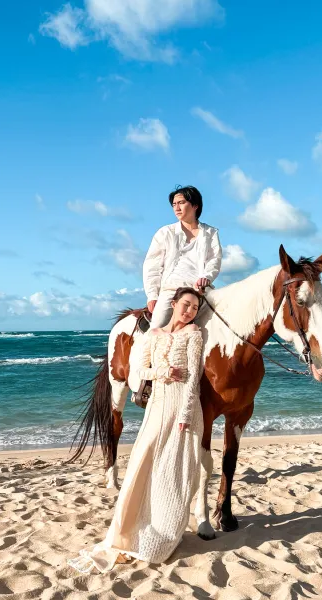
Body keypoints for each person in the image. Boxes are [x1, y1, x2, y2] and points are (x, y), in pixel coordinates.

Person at [68, 287, 205, 574]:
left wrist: (185, 414)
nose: (189, 310)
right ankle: (131, 526)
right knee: (143, 463)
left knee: (174, 471)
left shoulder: (194, 334)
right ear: (174, 303)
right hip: (157, 406)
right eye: (186, 304)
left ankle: (166, 529)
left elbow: (194, 378)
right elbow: (138, 372)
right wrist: (163, 373)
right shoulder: (151, 336)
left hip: (184, 409)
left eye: (194, 307)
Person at [144, 185, 222, 329]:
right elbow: (152, 266)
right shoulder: (165, 232)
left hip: (201, 290)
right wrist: (152, 295)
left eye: (181, 203)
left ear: (195, 205)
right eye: (174, 204)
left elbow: (214, 260)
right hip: (172, 290)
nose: (176, 208)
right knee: (157, 327)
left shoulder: (210, 233)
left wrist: (207, 277)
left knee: (222, 325)